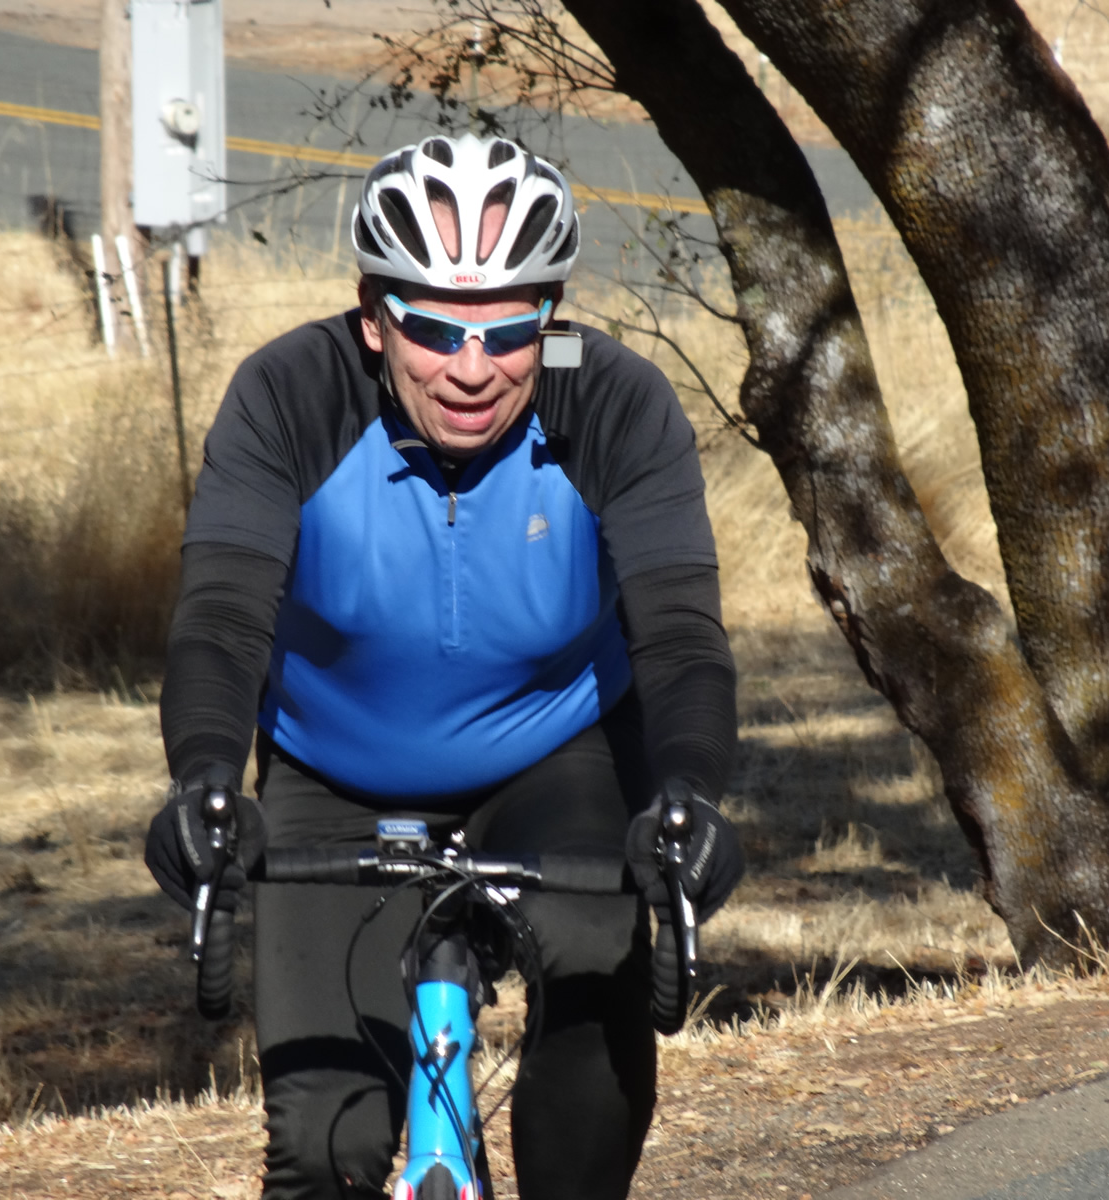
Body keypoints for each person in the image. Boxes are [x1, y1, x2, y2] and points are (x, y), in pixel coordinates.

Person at [144, 132, 743, 1200]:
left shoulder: (614, 402)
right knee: (325, 1149)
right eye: (431, 329)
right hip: (336, 776)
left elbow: (682, 637)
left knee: (594, 973)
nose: (472, 370)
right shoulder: (289, 394)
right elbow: (223, 620)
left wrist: (688, 792)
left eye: (509, 331)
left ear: (549, 317)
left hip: (552, 757)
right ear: (373, 318)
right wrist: (203, 779)